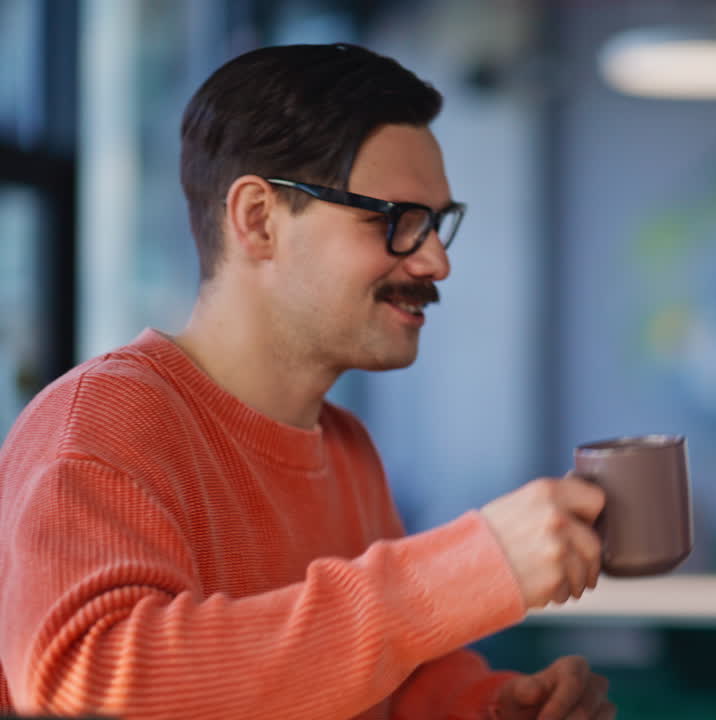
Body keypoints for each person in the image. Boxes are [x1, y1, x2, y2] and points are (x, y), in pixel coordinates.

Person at [0, 43, 615, 720]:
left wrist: (488, 705)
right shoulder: (101, 422)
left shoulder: (347, 448)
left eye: (436, 223)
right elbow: (84, 688)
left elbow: (379, 678)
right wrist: (464, 569)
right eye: (396, 221)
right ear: (258, 220)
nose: (436, 260)